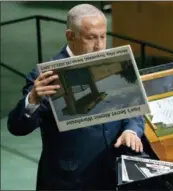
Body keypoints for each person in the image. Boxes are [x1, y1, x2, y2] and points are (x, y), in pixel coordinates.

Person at [7, 4, 145, 190]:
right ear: (70, 36)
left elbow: (133, 110)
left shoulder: (115, 63)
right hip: (70, 182)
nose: (99, 45)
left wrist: (132, 130)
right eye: (91, 38)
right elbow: (17, 128)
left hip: (114, 176)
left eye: (103, 36)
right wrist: (33, 99)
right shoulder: (46, 76)